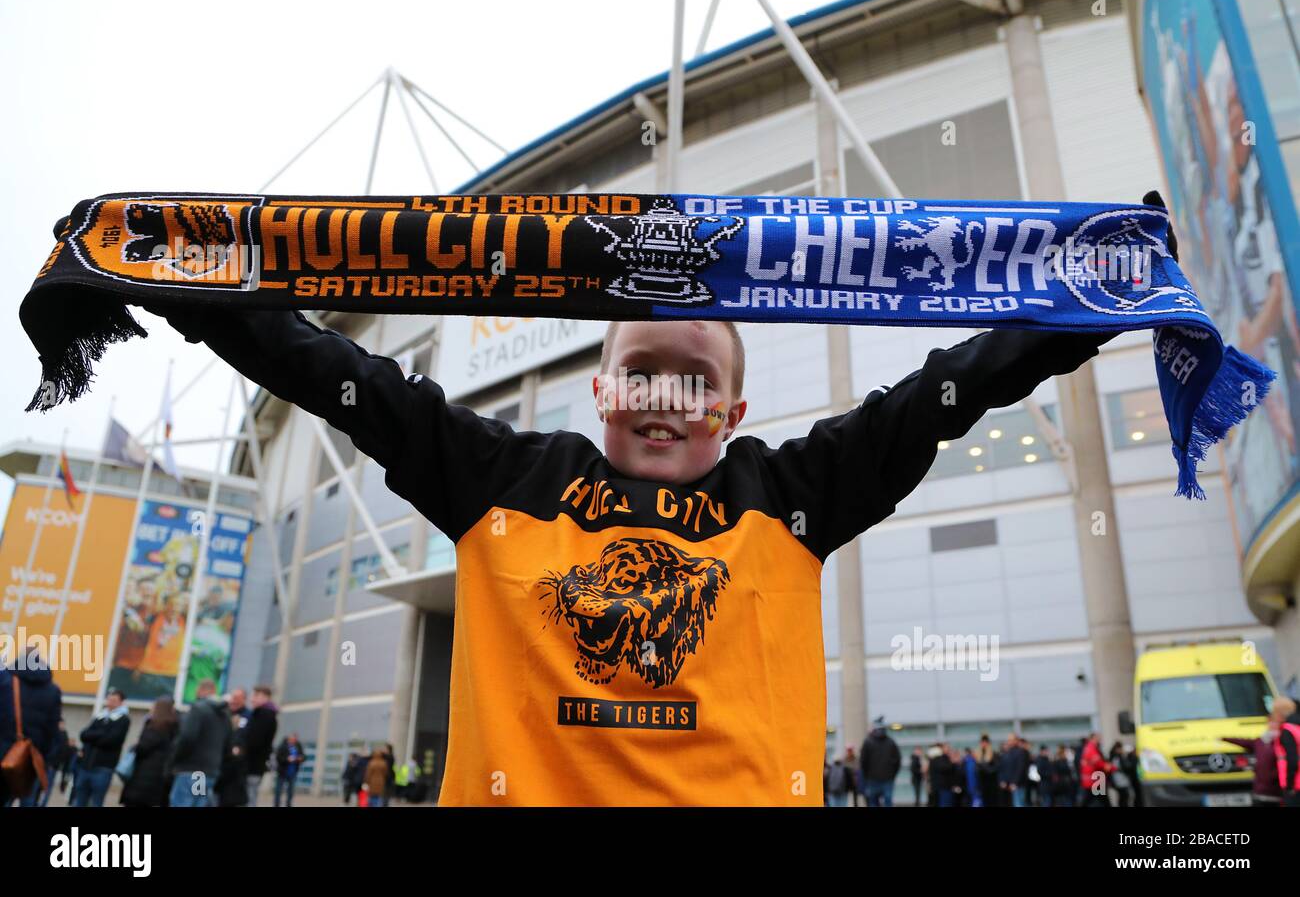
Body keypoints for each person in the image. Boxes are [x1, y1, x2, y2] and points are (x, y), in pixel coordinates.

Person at [145, 247, 1124, 805]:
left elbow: (942, 393)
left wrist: (1093, 300)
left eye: (696, 383)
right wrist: (181, 283)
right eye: (642, 371)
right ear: (602, 387)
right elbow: (341, 381)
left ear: (733, 413)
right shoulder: (505, 477)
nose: (665, 400)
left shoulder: (791, 491)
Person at [0, 647, 63, 807]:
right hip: (26, 757)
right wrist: (44, 757)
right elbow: (52, 731)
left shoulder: (6, 680)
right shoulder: (52, 691)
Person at [169, 678, 231, 808]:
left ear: (201, 690)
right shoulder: (224, 714)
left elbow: (187, 738)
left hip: (191, 769)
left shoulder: (198, 709)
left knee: (183, 803)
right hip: (208, 772)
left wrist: (174, 760)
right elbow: (228, 743)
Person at [71, 687, 129, 807]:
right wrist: (101, 733)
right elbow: (84, 735)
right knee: (79, 801)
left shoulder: (123, 720)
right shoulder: (100, 716)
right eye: (109, 699)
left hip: (103, 769)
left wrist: (94, 736)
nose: (110, 703)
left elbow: (111, 741)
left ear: (121, 702)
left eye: (114, 700)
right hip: (85, 766)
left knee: (96, 802)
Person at [120, 696, 179, 807]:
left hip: (143, 778)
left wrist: (135, 747)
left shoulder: (154, 725)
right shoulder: (175, 726)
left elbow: (143, 747)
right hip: (160, 779)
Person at [243, 685, 279, 806]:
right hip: (254, 765)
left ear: (264, 697)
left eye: (255, 696)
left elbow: (255, 741)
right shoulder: (264, 714)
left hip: (252, 765)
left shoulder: (264, 715)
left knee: (249, 797)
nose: (252, 699)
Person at [217, 687, 250, 807]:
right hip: (220, 765)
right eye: (233, 697)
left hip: (237, 768)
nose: (233, 701)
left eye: (237, 698)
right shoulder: (224, 714)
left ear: (244, 699)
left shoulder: (248, 716)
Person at [860, 723, 901, 807]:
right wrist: (893, 774)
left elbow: (863, 762)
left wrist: (866, 776)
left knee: (874, 802)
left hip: (875, 779)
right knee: (887, 801)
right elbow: (898, 760)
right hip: (883, 778)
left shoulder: (868, 742)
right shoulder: (890, 742)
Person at [1274, 696, 1300, 808]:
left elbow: (1292, 759)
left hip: (1295, 784)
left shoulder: (1287, 730)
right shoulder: (1296, 727)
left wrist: (1289, 785)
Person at [1078, 732, 1114, 808]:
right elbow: (1098, 762)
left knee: (1094, 799)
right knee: (1102, 799)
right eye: (1098, 738)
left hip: (1093, 778)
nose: (1099, 740)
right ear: (1093, 738)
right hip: (1095, 778)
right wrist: (1111, 767)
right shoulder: (1091, 748)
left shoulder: (1088, 748)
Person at [997, 733, 1029, 807]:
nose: (1009, 741)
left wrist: (1015, 782)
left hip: (1018, 785)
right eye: (1009, 740)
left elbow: (1020, 769)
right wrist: (1002, 780)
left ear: (1016, 741)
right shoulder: (1007, 753)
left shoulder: (1021, 752)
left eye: (1011, 740)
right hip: (1008, 785)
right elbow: (1003, 767)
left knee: (1018, 803)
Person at [274, 734, 305, 807]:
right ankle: (277, 804)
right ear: (289, 739)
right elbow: (278, 757)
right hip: (282, 771)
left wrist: (300, 758)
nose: (294, 741)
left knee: (290, 791)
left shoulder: (298, 746)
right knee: (278, 790)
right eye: (292, 739)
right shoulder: (282, 746)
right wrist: (287, 759)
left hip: (293, 772)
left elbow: (303, 756)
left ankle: (288, 804)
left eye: (295, 740)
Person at [1108, 742, 1134, 807]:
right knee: (1124, 796)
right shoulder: (1117, 757)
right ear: (1117, 749)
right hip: (1121, 780)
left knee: (1123, 797)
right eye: (1121, 748)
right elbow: (1125, 767)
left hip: (1118, 780)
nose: (1122, 750)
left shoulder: (1113, 757)